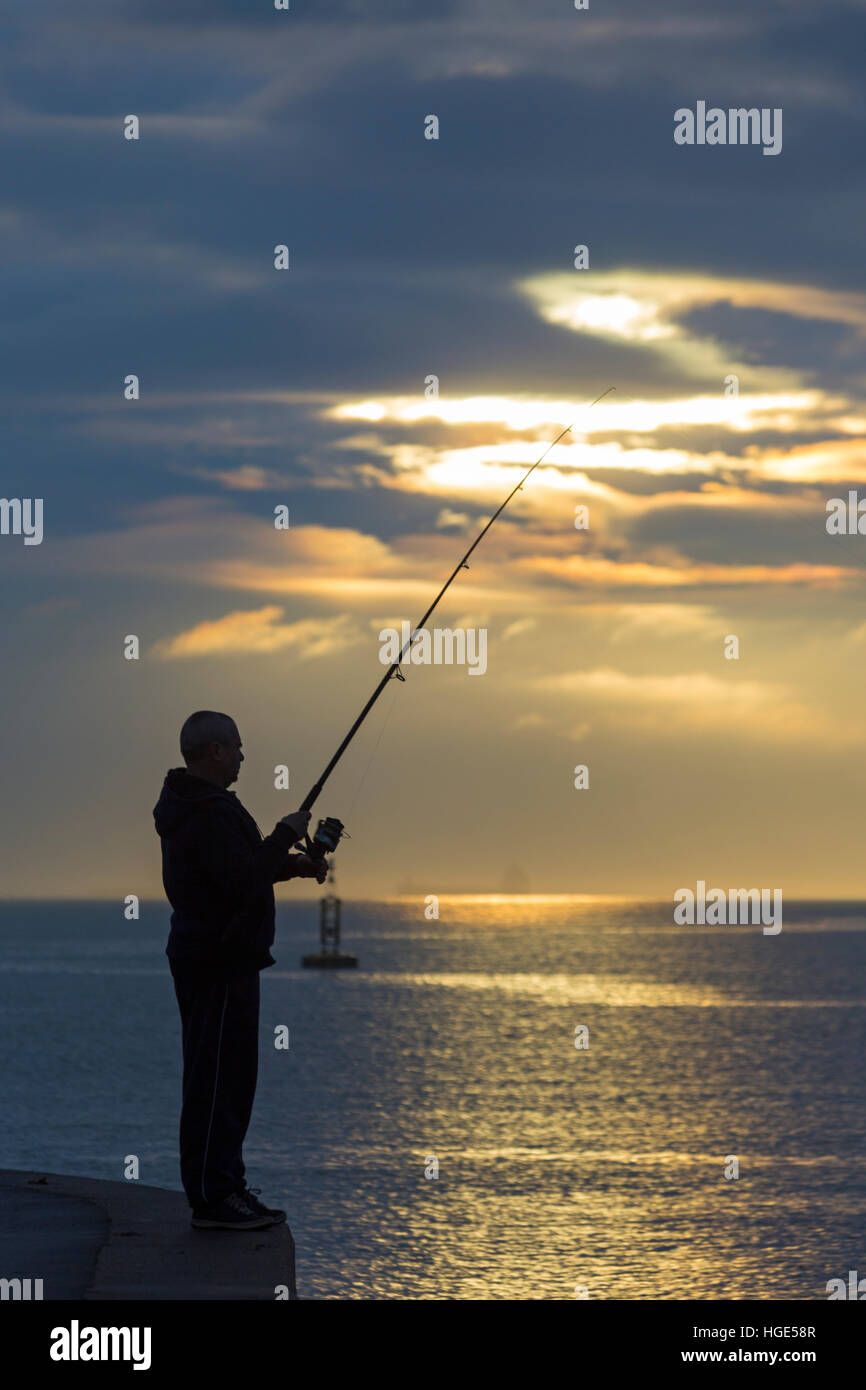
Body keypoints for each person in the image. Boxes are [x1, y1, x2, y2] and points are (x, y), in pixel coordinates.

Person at [153, 710, 327, 1231]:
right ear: (214, 752)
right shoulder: (203, 811)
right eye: (237, 747)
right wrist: (282, 835)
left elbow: (240, 870)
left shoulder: (202, 807)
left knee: (232, 1079)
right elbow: (239, 878)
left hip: (224, 957)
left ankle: (226, 1186)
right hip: (217, 959)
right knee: (216, 1080)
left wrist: (294, 863)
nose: (243, 756)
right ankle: (212, 1196)